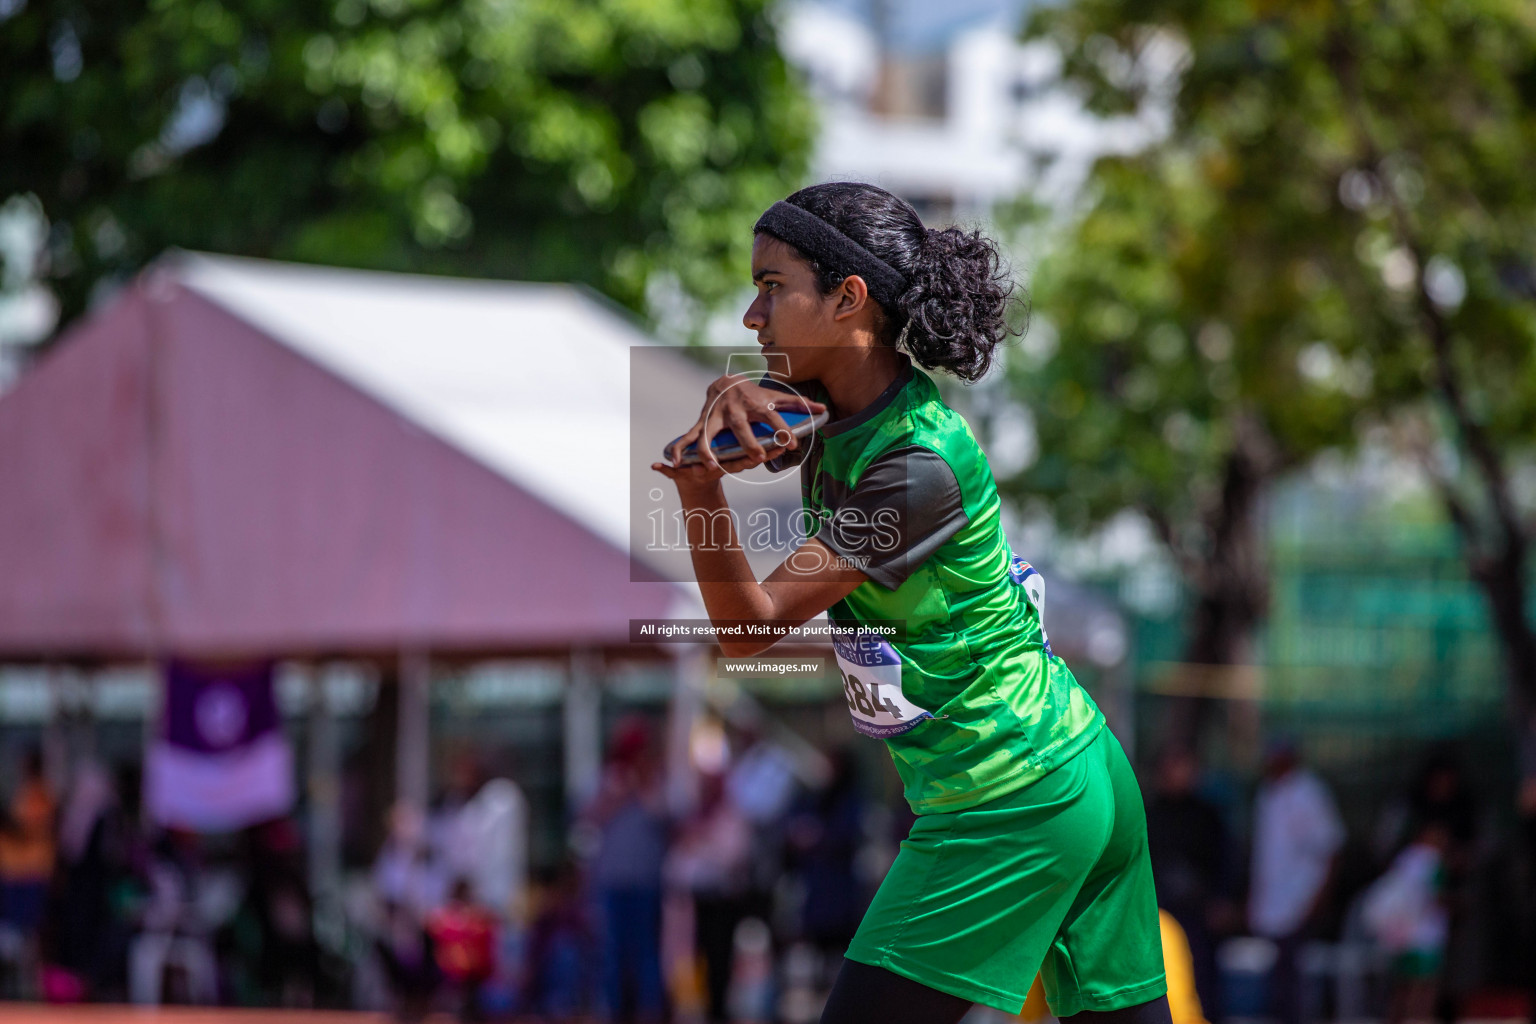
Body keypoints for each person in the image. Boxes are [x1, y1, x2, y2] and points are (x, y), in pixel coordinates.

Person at [651, 182, 1170, 1024]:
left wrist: (698, 485)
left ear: (849, 299)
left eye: (772, 287)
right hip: (1073, 764)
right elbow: (769, 410)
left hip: (1009, 794)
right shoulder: (841, 415)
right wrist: (725, 392)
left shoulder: (915, 471)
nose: (752, 316)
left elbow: (749, 630)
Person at [1247, 738, 1344, 1024]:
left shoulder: (1309, 793)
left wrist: (1318, 898)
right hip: (1272, 902)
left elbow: (1332, 848)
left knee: (1296, 983)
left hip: (1300, 900)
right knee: (1278, 980)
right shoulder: (1267, 793)